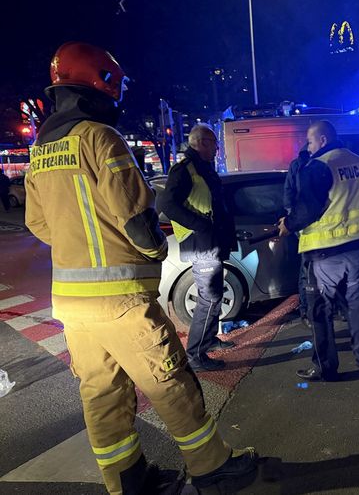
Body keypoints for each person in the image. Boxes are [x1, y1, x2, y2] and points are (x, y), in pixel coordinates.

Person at [24, 42, 256, 495]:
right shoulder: (100, 137)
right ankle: (212, 467)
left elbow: (37, 223)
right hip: (121, 300)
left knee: (102, 394)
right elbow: (136, 216)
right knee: (171, 381)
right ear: (102, 84)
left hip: (71, 307)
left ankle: (128, 482)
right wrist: (151, 250)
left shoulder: (41, 151)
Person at [278, 120, 359, 381]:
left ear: (323, 140)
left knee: (320, 310)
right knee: (356, 300)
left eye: (310, 142)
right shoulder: (357, 160)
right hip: (357, 244)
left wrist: (288, 224)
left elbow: (309, 207)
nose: (308, 148)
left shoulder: (320, 165)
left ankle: (325, 367)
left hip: (326, 250)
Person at [158, 123, 237, 372]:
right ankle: (196, 354)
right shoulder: (184, 170)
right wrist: (201, 225)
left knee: (214, 295)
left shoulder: (203, 168)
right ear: (201, 142)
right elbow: (168, 205)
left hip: (212, 242)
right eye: (214, 142)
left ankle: (209, 340)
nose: (217, 148)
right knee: (209, 299)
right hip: (200, 244)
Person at [283, 146, 312, 327]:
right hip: (307, 225)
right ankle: (307, 310)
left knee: (307, 271)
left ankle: (307, 311)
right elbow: (289, 196)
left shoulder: (298, 165)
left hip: (304, 225)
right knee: (307, 271)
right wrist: (293, 221)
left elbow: (288, 195)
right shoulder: (308, 165)